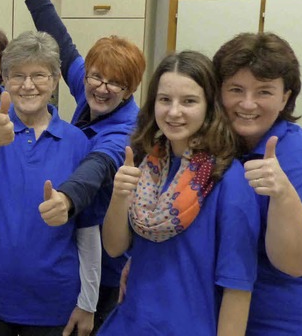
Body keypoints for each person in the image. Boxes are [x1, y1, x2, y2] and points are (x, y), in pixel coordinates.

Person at [5, 0, 144, 331]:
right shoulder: (89, 86)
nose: (102, 87)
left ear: (131, 89)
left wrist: (65, 198)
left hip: (106, 263)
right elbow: (61, 41)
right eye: (97, 76)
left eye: (116, 83)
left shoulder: (126, 130)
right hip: (67, 247)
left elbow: (94, 169)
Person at [99, 51, 261, 335]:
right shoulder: (147, 167)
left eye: (189, 101)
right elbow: (114, 248)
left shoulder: (229, 180)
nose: (174, 112)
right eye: (165, 100)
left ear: (209, 107)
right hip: (131, 323)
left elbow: (238, 290)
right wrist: (119, 195)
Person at [0, 31, 101, 336]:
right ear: (5, 81)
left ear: (53, 82)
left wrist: (89, 302)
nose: (28, 85)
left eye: (39, 75)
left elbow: (88, 229)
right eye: (18, 76)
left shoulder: (78, 142)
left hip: (53, 304)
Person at [212, 32, 302, 335]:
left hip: (282, 321)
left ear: (285, 97)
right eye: (236, 89)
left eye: (264, 92)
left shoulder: (298, 154)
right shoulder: (220, 143)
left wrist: (283, 196)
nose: (247, 104)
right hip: (224, 314)